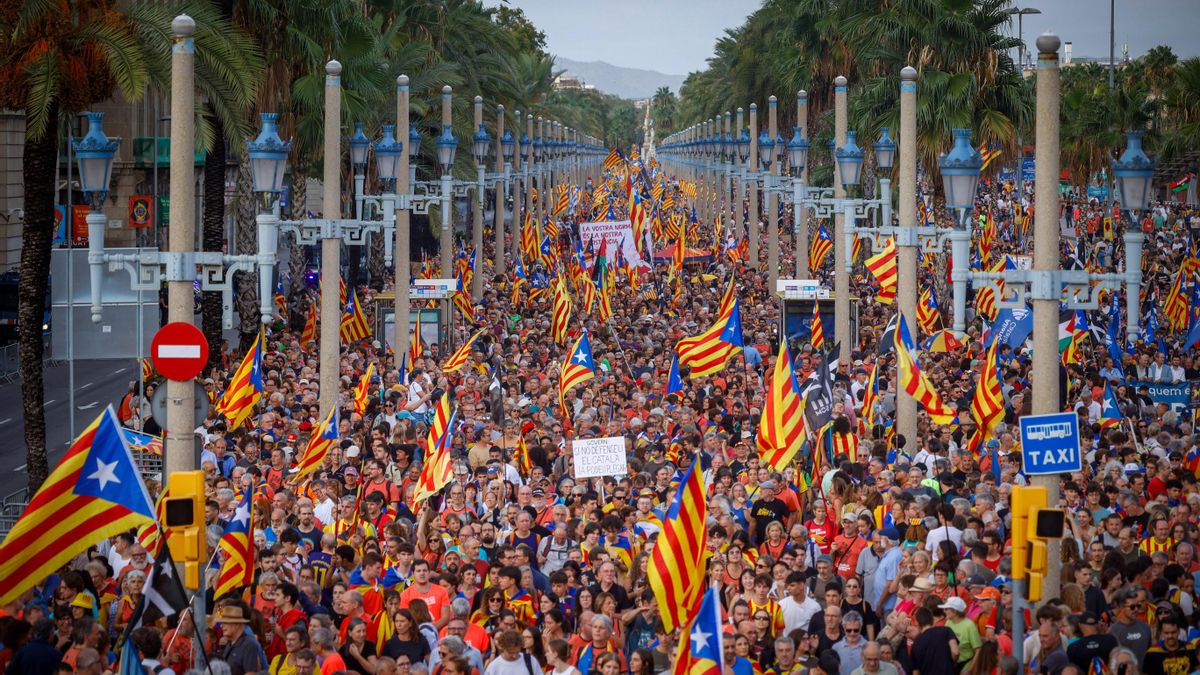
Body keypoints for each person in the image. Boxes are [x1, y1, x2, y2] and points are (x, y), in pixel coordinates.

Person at [213, 605, 268, 675]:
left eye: (225, 622)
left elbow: (251, 673)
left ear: (237, 624)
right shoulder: (230, 643)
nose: (221, 625)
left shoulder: (248, 644)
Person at [908, 607, 957, 675]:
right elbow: (955, 652)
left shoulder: (916, 644)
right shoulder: (946, 630)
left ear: (918, 623)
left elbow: (916, 672)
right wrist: (951, 664)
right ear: (932, 620)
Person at [938, 597, 981, 669]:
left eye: (946, 609)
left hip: (965, 665)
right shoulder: (949, 622)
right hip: (950, 663)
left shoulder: (969, 626)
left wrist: (970, 670)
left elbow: (978, 650)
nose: (944, 611)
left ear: (954, 611)